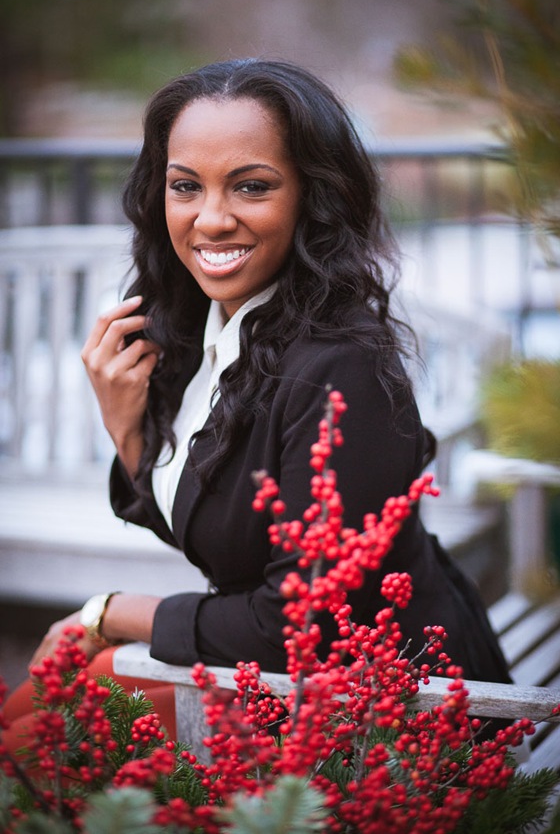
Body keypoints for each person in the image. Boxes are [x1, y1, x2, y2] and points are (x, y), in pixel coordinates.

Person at [3, 59, 510, 744]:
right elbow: (224, 532)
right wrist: (125, 427)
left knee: (31, 741)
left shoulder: (342, 372)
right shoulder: (213, 330)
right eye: (186, 186)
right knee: (32, 709)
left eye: (251, 186)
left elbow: (291, 625)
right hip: (275, 678)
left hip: (387, 713)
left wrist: (110, 609)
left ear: (313, 195)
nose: (211, 219)